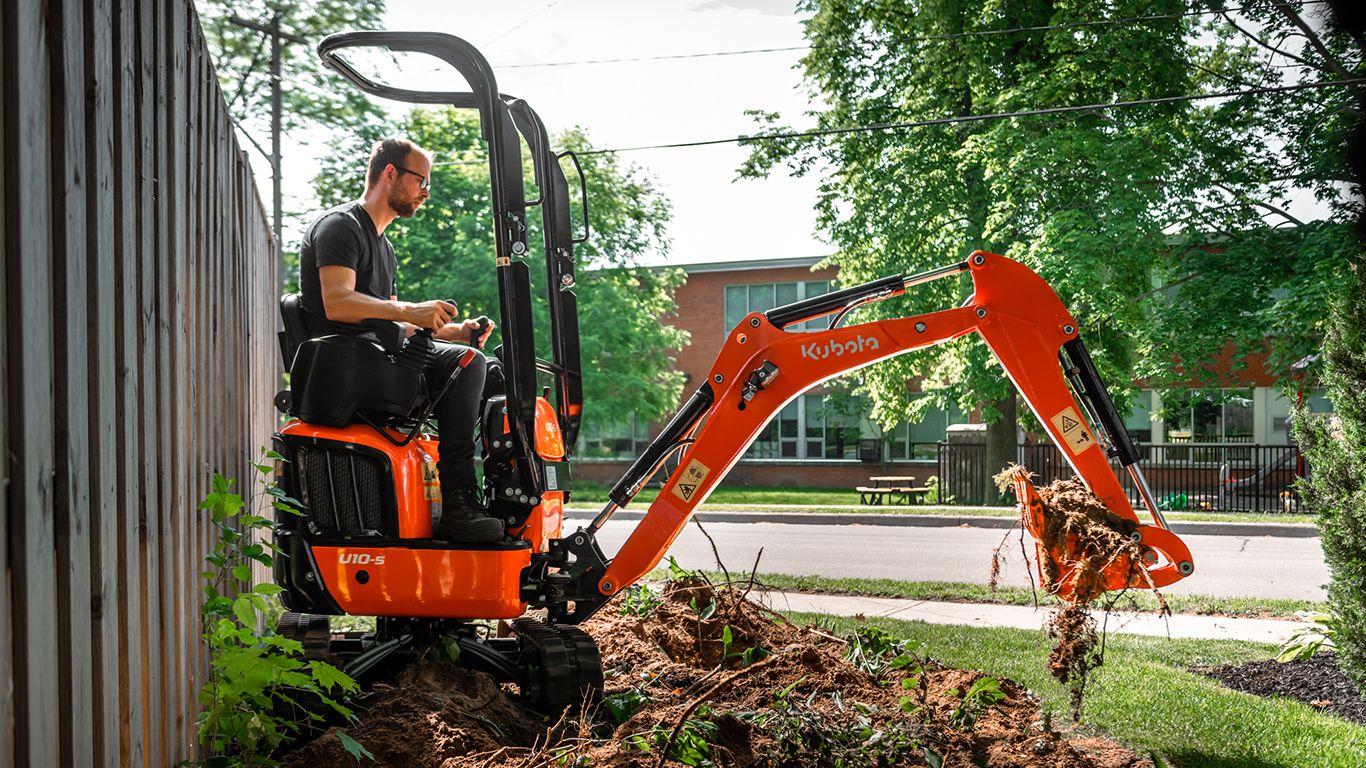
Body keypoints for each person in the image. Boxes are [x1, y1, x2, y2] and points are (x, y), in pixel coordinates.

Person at [297, 137, 504, 543]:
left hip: (378, 357)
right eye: (421, 181)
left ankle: (492, 493)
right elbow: (338, 302)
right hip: (347, 367)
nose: (426, 192)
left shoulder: (384, 248)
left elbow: (395, 320)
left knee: (491, 368)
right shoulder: (341, 226)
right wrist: (411, 310)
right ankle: (459, 502)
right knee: (468, 365)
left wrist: (455, 333)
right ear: (389, 172)